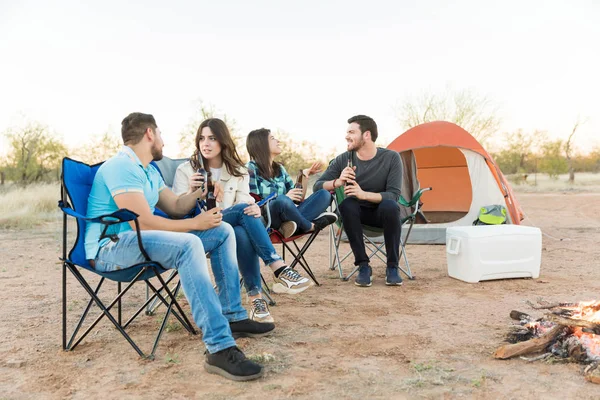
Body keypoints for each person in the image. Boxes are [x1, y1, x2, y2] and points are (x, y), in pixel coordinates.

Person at [85, 112, 274, 381]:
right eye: (160, 134)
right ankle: (219, 347)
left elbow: (174, 206)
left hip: (137, 242)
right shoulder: (121, 166)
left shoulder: (148, 169)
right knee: (189, 244)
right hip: (111, 248)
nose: (163, 140)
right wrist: (195, 223)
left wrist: (201, 191)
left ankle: (232, 315)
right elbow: (144, 223)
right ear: (150, 133)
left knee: (221, 230)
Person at [172, 118, 312, 322]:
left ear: (223, 141)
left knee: (240, 231)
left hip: (228, 229)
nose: (206, 143)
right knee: (241, 215)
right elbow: (176, 211)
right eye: (202, 138)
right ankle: (277, 267)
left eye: (212, 138)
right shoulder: (186, 171)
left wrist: (253, 206)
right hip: (197, 231)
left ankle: (256, 300)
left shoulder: (238, 171)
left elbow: (244, 201)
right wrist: (192, 192)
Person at [314, 115, 403, 287]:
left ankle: (392, 266)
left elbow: (393, 195)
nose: (347, 136)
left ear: (367, 135)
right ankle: (363, 266)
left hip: (381, 214)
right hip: (355, 216)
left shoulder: (391, 158)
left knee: (391, 206)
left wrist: (363, 194)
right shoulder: (343, 159)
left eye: (351, 132)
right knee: (347, 204)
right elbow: (317, 186)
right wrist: (337, 182)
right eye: (347, 132)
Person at [245, 128, 337, 239]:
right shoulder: (251, 168)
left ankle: (290, 227)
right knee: (282, 201)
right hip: (269, 218)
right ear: (261, 144)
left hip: (289, 216)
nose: (278, 141)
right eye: (272, 138)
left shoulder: (280, 168)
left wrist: (304, 176)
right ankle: (309, 225)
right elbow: (253, 203)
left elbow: (297, 199)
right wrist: (284, 197)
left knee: (324, 194)